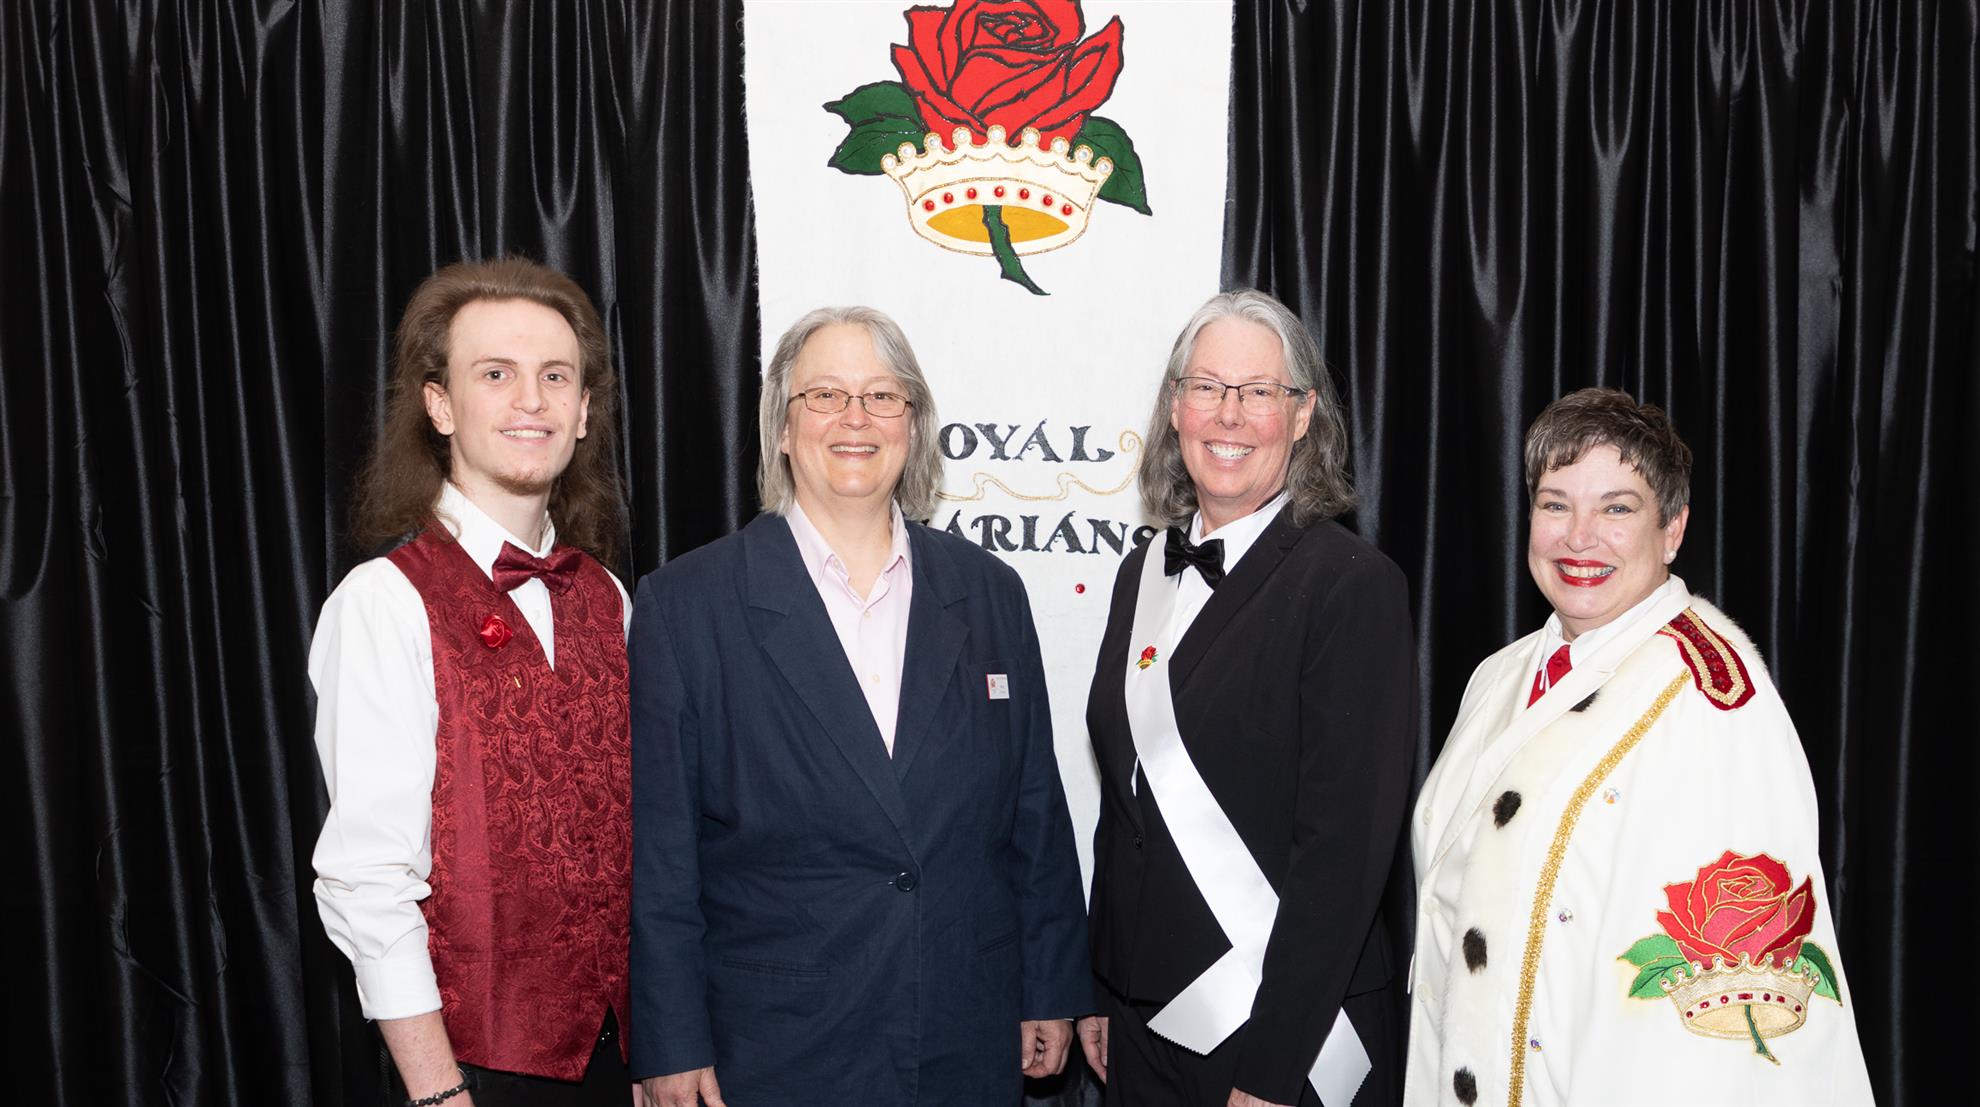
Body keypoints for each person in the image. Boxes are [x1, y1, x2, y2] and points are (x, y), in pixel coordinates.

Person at [627, 306, 1090, 1106]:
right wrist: (670, 1039)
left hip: (965, 1031)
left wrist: (1050, 980)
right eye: (826, 395)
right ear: (782, 426)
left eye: (882, 396)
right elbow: (662, 855)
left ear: (912, 425)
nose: (856, 418)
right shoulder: (686, 606)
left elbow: (1034, 808)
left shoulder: (990, 593)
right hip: (776, 1048)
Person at [1405, 388, 1875, 1106]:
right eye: (1555, 504)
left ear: (1673, 529)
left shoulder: (1713, 696)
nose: (1578, 537)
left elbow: (1724, 1030)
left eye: (1616, 509)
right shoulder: (1499, 675)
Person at [309, 258, 636, 1106]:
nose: (531, 400)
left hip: (622, 1063)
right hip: (471, 1072)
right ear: (441, 405)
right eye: (496, 374)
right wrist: (437, 1091)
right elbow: (367, 879)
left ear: (583, 410)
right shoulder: (383, 601)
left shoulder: (609, 597)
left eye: (555, 376)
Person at [1078, 289, 1415, 1107]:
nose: (1228, 415)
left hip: (1285, 1042)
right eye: (1206, 387)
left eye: (1259, 391)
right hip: (1142, 1029)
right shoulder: (1141, 574)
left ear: (1301, 416)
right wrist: (1102, 983)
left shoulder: (1352, 585)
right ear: (1175, 408)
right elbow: (1125, 808)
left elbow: (1344, 858)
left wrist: (1271, 1071)